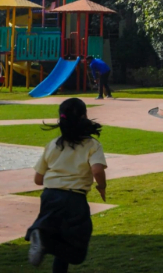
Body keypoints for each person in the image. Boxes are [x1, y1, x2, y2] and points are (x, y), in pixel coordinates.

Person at [26, 98, 108, 272]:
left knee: (61, 241)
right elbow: (97, 170)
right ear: (85, 116)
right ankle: (43, 241)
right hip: (73, 199)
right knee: (77, 246)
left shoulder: (53, 145)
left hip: (49, 196)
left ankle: (40, 236)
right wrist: (101, 186)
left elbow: (38, 179)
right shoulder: (92, 145)